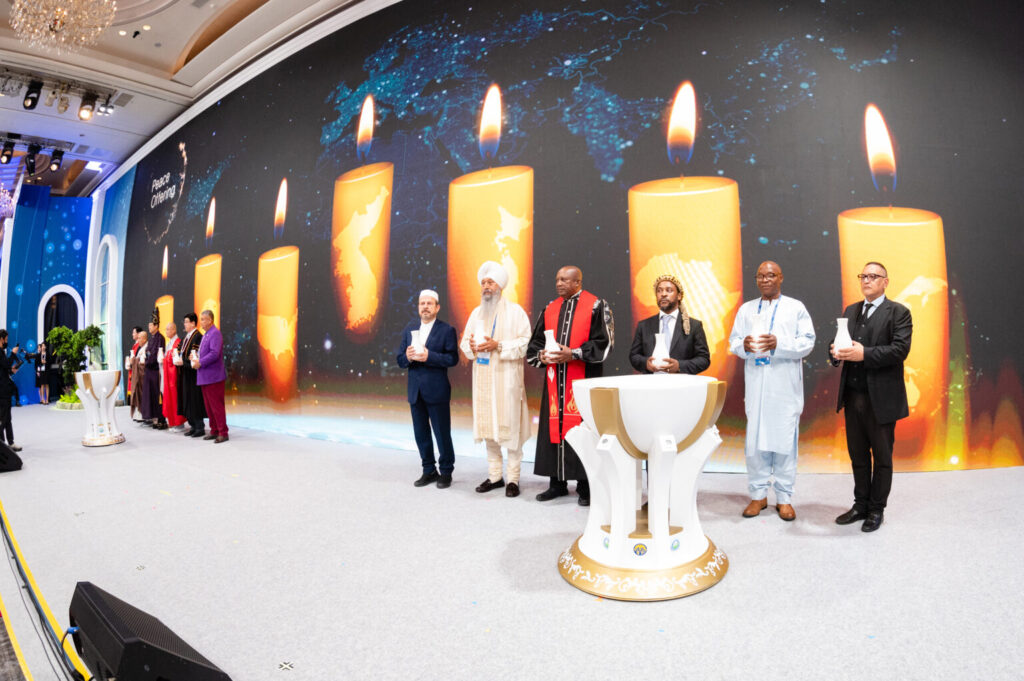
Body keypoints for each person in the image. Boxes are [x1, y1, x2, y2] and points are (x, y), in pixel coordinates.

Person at [728, 261, 816, 521]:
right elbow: (734, 341)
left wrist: (779, 343)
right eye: (761, 276)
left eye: (771, 275)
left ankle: (784, 498)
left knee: (785, 442)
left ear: (781, 277)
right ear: (756, 279)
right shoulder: (746, 309)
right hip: (756, 386)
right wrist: (743, 345)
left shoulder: (795, 307)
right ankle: (758, 495)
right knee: (755, 443)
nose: (765, 280)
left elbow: (807, 342)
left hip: (784, 388)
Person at [830, 261, 912, 533]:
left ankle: (877, 510)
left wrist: (864, 354)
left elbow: (899, 350)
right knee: (858, 456)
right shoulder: (851, 310)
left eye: (873, 276)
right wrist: (835, 352)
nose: (867, 280)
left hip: (882, 400)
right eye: (863, 276)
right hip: (853, 397)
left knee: (882, 458)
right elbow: (840, 343)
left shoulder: (898, 312)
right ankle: (860, 505)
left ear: (885, 282)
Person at [527, 266, 613, 506]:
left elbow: (605, 343)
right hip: (555, 383)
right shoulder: (550, 308)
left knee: (584, 432)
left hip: (583, 383)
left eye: (565, 279)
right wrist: (543, 356)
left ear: (578, 282)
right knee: (555, 430)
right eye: (557, 279)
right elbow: (534, 346)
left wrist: (573, 353)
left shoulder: (596, 305)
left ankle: (586, 485)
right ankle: (557, 484)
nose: (559, 283)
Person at [459, 262, 532, 498]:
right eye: (483, 283)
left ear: (500, 286)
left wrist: (498, 345)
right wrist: (471, 346)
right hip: (483, 381)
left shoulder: (516, 312)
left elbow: (525, 344)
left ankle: (513, 479)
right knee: (488, 429)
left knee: (510, 430)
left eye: (490, 282)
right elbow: (465, 344)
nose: (486, 286)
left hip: (507, 381)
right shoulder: (476, 313)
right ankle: (495, 476)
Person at [396, 290, 459, 489]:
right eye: (422, 303)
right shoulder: (409, 329)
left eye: (429, 303)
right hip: (415, 392)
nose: (425, 307)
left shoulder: (446, 330)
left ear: (437, 307)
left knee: (442, 434)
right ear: (418, 307)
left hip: (437, 391)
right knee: (421, 434)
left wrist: (429, 356)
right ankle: (429, 470)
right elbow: (400, 360)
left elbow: (452, 359)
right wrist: (407, 357)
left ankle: (446, 472)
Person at [629, 273, 710, 375]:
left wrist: (679, 366)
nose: (663, 294)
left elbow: (704, 359)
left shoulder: (694, 326)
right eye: (659, 290)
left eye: (669, 290)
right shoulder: (644, 326)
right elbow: (634, 356)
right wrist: (646, 364)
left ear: (679, 296)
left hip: (682, 383)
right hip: (651, 383)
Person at [193, 309, 229, 443]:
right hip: (205, 376)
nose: (201, 322)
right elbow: (204, 353)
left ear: (210, 320)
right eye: (201, 319)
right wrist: (195, 358)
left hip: (213, 377)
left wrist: (200, 362)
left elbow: (214, 353)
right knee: (209, 407)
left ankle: (223, 432)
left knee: (216, 406)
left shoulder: (215, 333)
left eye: (203, 319)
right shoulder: (206, 334)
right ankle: (214, 430)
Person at [177, 313, 206, 437]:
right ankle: (193, 425)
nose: (184, 324)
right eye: (184, 322)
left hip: (193, 373)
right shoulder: (186, 337)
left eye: (186, 322)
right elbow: (180, 351)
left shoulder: (197, 336)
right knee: (187, 399)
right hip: (185, 372)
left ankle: (199, 426)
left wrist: (183, 362)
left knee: (195, 399)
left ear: (193, 323)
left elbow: (195, 357)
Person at [142, 311, 166, 429]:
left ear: (156, 326)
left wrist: (148, 360)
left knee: (157, 395)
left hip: (156, 370)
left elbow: (156, 354)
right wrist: (147, 358)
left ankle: (161, 419)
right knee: (150, 395)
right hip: (149, 370)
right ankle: (154, 418)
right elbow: (147, 352)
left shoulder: (160, 338)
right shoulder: (151, 339)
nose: (149, 327)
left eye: (151, 325)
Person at [161, 322, 186, 429]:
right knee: (169, 398)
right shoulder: (169, 343)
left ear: (174, 330)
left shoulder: (178, 343)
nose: (166, 331)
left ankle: (179, 423)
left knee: (175, 398)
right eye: (166, 329)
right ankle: (172, 422)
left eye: (168, 329)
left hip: (174, 376)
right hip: (168, 376)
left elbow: (176, 359)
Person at [0, 331, 21, 451]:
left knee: (7, 418)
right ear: (1, 339)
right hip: (2, 390)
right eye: (6, 339)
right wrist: (13, 354)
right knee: (3, 419)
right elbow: (6, 363)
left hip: (5, 390)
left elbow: (4, 368)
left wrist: (11, 371)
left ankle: (10, 443)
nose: (7, 341)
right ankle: (3, 446)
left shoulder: (2, 352)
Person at [130, 330, 147, 422]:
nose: (138, 340)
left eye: (140, 338)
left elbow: (143, 361)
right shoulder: (141, 348)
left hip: (143, 375)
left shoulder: (146, 348)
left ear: (144, 339)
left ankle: (143, 414)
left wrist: (135, 360)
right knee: (138, 395)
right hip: (138, 375)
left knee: (142, 395)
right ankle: (140, 414)